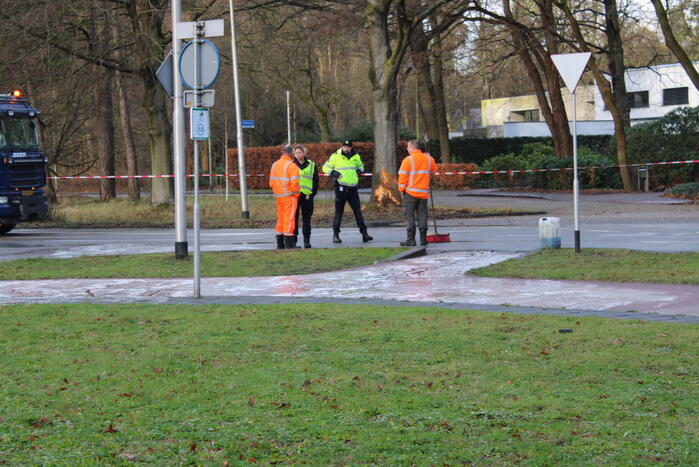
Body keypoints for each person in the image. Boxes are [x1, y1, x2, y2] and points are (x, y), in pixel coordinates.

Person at [323, 140, 373, 243]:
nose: (346, 149)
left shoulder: (356, 156)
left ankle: (364, 234)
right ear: (342, 147)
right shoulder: (335, 156)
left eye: (348, 147)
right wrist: (335, 174)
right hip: (341, 188)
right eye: (344, 147)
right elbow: (325, 168)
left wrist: (358, 172)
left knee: (357, 211)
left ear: (351, 148)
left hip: (353, 188)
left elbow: (361, 166)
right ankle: (335, 235)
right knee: (339, 212)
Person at [398, 140, 437, 246]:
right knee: (423, 215)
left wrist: (401, 189)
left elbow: (402, 177)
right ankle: (423, 239)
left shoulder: (408, 160)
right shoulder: (429, 159)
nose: (407, 149)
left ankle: (411, 240)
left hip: (410, 193)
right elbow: (433, 171)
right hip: (423, 193)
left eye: (408, 147)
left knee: (410, 216)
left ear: (413, 148)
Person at [269, 145, 300, 249]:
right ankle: (289, 244)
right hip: (289, 196)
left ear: (283, 152)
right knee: (289, 218)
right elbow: (294, 183)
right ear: (292, 153)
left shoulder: (275, 164)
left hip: (279, 195)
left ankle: (280, 243)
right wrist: (296, 194)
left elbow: (271, 182)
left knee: (281, 218)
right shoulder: (292, 166)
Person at [292, 144, 318, 248]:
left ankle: (306, 241)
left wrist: (312, 194)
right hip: (295, 196)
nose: (298, 155)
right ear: (294, 154)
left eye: (300, 152)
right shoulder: (291, 165)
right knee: (294, 219)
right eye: (296, 153)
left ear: (304, 153)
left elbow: (315, 181)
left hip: (307, 196)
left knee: (307, 219)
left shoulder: (311, 165)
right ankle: (293, 241)